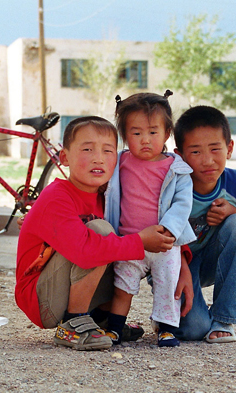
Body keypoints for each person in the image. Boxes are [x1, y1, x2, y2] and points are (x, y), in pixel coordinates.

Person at [15, 116, 175, 351]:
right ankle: (73, 323)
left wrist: (179, 260)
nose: (98, 158)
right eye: (87, 149)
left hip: (72, 286)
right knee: (101, 232)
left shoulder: (109, 198)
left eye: (108, 151)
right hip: (43, 299)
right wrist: (140, 241)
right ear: (65, 157)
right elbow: (85, 252)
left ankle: (102, 321)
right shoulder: (57, 195)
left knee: (116, 238)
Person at [103, 92, 196, 347]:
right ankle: (115, 328)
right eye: (136, 133)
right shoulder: (119, 162)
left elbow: (182, 204)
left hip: (165, 242)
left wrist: (169, 229)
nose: (145, 140)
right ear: (124, 135)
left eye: (153, 132)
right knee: (122, 287)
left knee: (167, 287)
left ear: (167, 133)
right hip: (129, 241)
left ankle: (165, 329)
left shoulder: (177, 169)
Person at [170, 105, 236, 343]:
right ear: (180, 155)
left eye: (215, 149)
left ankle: (224, 318)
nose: (207, 160)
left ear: (229, 148)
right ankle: (168, 316)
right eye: (195, 152)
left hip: (214, 260)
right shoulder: (172, 186)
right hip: (176, 264)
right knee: (193, 330)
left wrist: (233, 213)